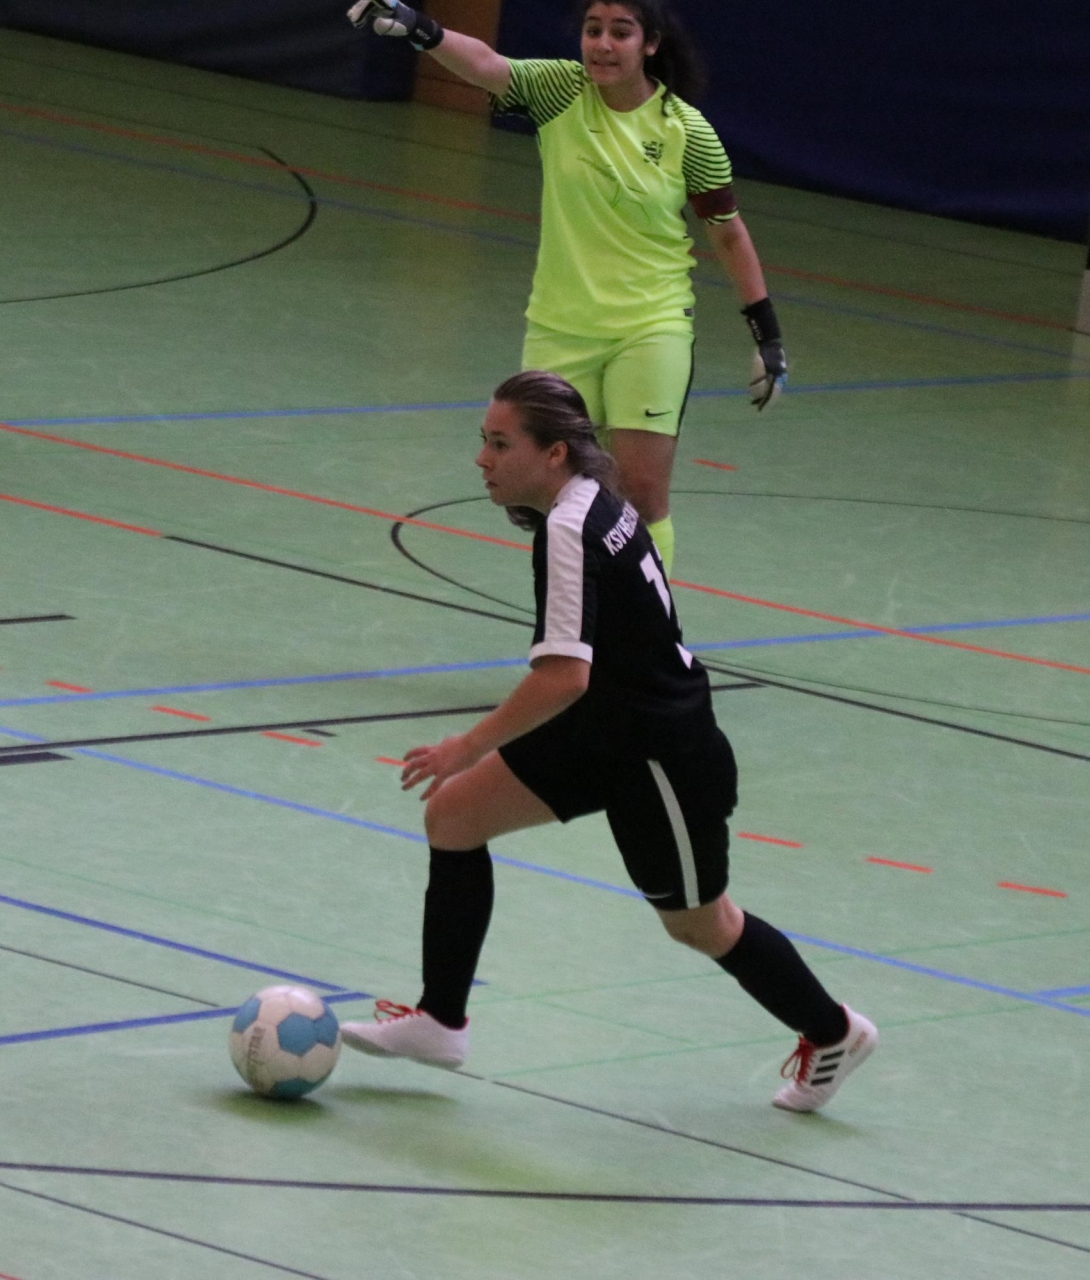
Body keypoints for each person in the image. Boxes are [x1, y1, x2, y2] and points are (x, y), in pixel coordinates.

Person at [340, 372, 873, 1113]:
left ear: (554, 452)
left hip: (659, 754)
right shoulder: (594, 498)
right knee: (454, 817)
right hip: (603, 730)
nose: (482, 459)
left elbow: (564, 677)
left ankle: (835, 1032)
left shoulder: (569, 531)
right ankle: (440, 1021)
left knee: (701, 924)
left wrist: (469, 744)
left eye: (501, 444)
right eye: (483, 441)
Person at [349, 0, 788, 575]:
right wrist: (422, 29)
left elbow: (727, 233)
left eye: (621, 32)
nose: (603, 44)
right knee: (560, 495)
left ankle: (650, 622)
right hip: (560, 328)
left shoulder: (686, 130)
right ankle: (576, 617)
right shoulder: (560, 91)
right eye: (593, 30)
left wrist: (766, 336)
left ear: (650, 44)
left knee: (641, 492)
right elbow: (486, 65)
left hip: (650, 326)